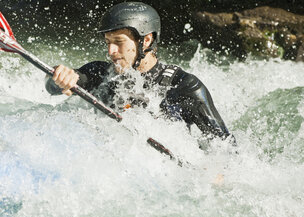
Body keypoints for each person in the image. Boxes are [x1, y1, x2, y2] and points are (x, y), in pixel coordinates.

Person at [46, 2, 234, 143]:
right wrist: (60, 77)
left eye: (118, 42)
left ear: (145, 41)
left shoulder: (184, 87)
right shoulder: (99, 73)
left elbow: (226, 147)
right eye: (107, 42)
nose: (111, 51)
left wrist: (215, 171)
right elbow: (52, 87)